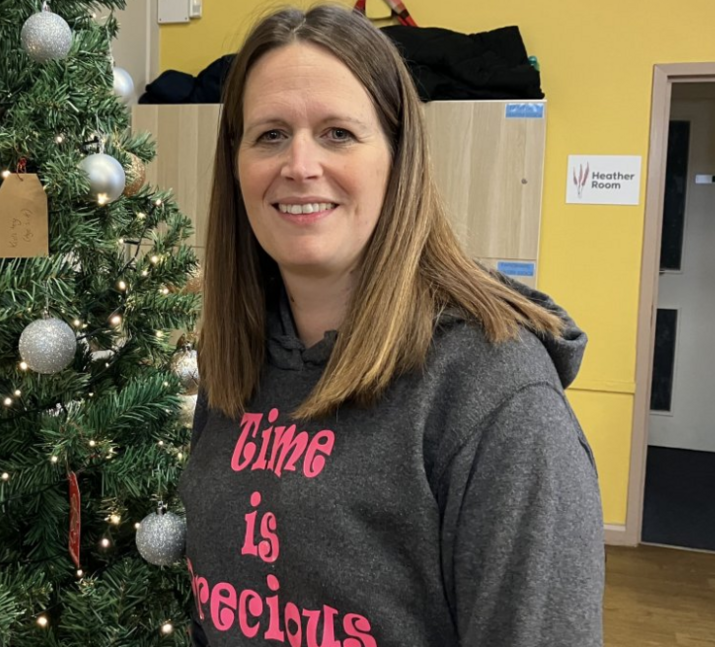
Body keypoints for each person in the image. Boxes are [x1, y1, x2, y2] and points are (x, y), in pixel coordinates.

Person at [178, 5, 605, 647]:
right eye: (269, 134)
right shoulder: (235, 358)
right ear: (235, 163)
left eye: (338, 133)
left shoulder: (496, 398)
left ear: (398, 158)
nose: (299, 164)